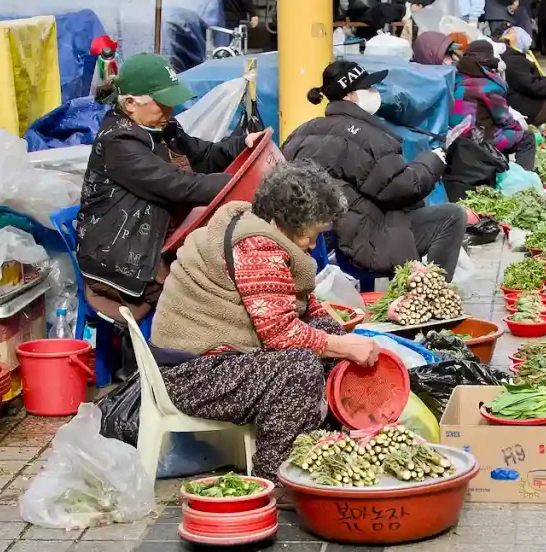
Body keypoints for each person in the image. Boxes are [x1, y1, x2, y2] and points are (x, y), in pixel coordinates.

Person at [150, 162, 381, 491]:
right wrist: (344, 346)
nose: (313, 245)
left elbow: (293, 300)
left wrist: (333, 331)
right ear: (284, 221)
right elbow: (280, 333)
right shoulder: (257, 247)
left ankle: (331, 440)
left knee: (325, 329)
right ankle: (277, 475)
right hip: (192, 374)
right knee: (297, 368)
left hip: (217, 359)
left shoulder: (259, 223)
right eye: (310, 235)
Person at [76, 53, 262, 322]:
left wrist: (243, 144)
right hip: (122, 258)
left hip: (157, 241)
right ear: (130, 103)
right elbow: (179, 186)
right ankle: (172, 358)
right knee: (212, 296)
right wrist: (243, 182)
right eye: (162, 103)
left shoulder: (163, 128)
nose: (170, 110)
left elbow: (205, 155)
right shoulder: (119, 141)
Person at [282, 60, 467, 279]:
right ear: (349, 96)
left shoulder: (300, 133)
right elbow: (403, 188)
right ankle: (432, 293)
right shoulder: (366, 137)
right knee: (453, 216)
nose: (374, 92)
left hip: (321, 237)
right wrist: (433, 160)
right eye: (368, 88)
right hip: (364, 240)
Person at [451, 40, 538, 170]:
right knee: (526, 138)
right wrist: (519, 127)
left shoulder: (455, 78)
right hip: (480, 140)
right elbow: (504, 119)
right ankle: (522, 182)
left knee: (500, 131)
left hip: (457, 138)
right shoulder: (488, 87)